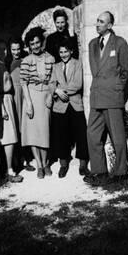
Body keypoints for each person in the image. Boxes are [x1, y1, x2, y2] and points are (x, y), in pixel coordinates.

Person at [85, 11, 128, 185]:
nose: (97, 24)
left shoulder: (119, 43)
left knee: (117, 137)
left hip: (112, 97)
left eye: (101, 21)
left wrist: (116, 88)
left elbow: (126, 71)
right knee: (92, 134)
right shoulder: (92, 44)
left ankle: (121, 173)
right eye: (97, 20)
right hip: (97, 96)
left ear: (110, 25)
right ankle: (100, 172)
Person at [50, 41, 90, 178]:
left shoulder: (77, 64)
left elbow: (78, 84)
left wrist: (62, 91)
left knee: (81, 134)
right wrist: (56, 90)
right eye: (61, 52)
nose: (63, 55)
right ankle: (63, 163)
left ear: (71, 51)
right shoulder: (55, 67)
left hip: (75, 103)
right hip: (60, 106)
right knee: (61, 135)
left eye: (66, 52)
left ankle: (83, 164)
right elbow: (51, 84)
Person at [20, 27, 55, 179]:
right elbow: (23, 83)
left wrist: (50, 95)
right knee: (34, 133)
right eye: (32, 44)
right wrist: (28, 103)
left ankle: (46, 162)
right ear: (29, 45)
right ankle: (39, 165)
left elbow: (54, 80)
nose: (35, 46)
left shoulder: (50, 58)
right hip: (31, 96)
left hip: (45, 96)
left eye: (37, 42)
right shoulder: (26, 61)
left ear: (42, 42)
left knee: (44, 131)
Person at [0, 40, 23, 183]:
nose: (4, 52)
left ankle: (9, 168)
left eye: (5, 49)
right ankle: (9, 171)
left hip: (8, 99)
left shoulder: (2, 64)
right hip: (3, 101)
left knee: (10, 137)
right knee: (9, 138)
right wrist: (3, 108)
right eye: (1, 49)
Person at [6, 37, 35, 172]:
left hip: (24, 94)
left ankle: (25, 159)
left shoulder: (26, 59)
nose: (16, 52)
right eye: (13, 49)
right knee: (15, 127)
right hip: (13, 95)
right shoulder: (7, 62)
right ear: (10, 49)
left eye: (18, 49)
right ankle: (15, 160)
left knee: (25, 126)